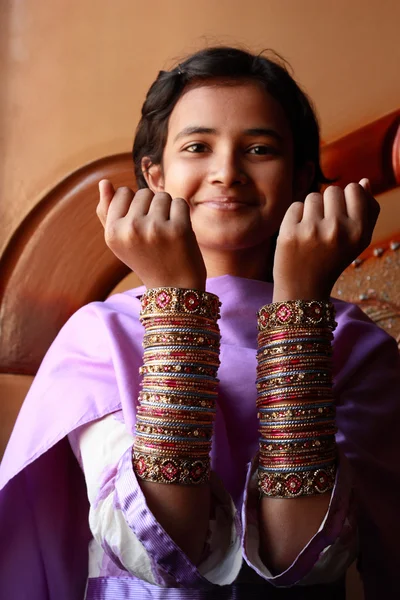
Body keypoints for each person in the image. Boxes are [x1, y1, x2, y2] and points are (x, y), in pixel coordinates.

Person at [0, 46, 399, 600]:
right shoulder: (100, 337)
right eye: (198, 147)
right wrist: (176, 302)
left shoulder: (358, 345)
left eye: (259, 149)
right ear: (154, 175)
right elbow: (161, 551)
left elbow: (299, 558)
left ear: (300, 176)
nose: (227, 172)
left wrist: (301, 307)